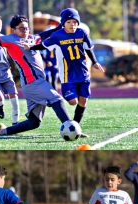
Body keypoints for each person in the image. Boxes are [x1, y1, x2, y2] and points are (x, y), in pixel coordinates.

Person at [0, 15, 73, 138]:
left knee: (34, 122)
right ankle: (71, 128)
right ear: (14, 30)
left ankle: (4, 131)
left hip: (34, 83)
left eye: (27, 28)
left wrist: (60, 27)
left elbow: (46, 34)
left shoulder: (33, 38)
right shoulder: (11, 39)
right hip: (33, 82)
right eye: (22, 29)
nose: (25, 31)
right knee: (58, 99)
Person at [27, 8, 104, 136]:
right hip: (67, 75)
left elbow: (89, 49)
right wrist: (30, 47)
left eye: (74, 22)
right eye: (69, 22)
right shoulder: (57, 36)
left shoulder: (82, 33)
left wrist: (95, 62)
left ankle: (75, 127)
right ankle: (67, 118)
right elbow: (44, 45)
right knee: (72, 101)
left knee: (83, 101)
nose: (72, 24)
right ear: (63, 23)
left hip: (83, 73)